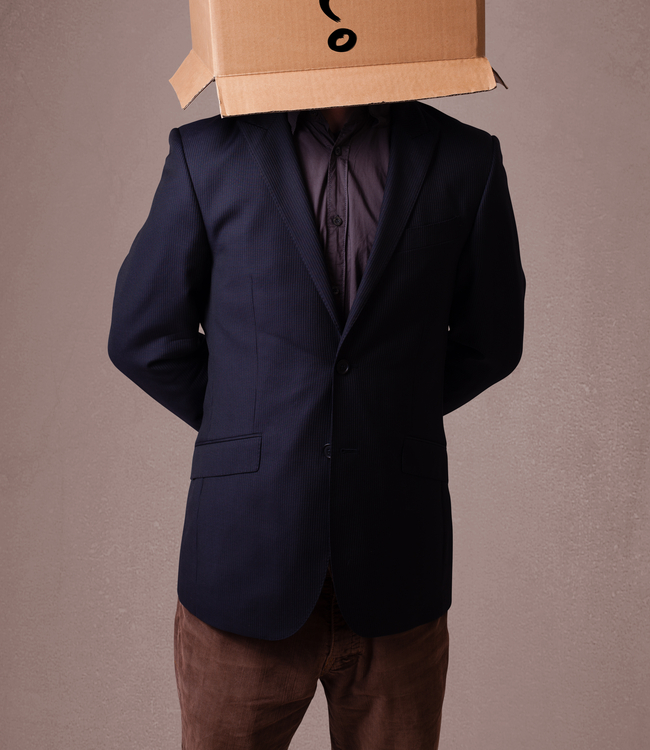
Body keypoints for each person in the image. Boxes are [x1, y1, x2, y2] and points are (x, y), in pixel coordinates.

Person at [108, 97, 525, 750]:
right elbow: (143, 337)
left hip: (396, 567)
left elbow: (491, 340)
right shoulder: (208, 153)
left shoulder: (464, 157)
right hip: (244, 565)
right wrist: (251, 427)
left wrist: (380, 418)